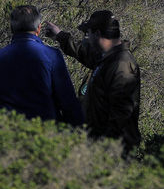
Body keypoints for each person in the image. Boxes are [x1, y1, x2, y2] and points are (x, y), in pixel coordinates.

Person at [45, 10, 141, 153]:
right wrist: (60, 36)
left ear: (97, 34)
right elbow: (84, 53)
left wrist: (104, 151)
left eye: (88, 33)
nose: (86, 38)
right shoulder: (108, 58)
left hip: (111, 152)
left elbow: (121, 116)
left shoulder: (121, 65)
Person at [0, 5, 83, 125]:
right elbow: (67, 101)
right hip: (44, 133)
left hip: (7, 133)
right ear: (38, 28)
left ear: (12, 28)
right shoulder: (52, 56)